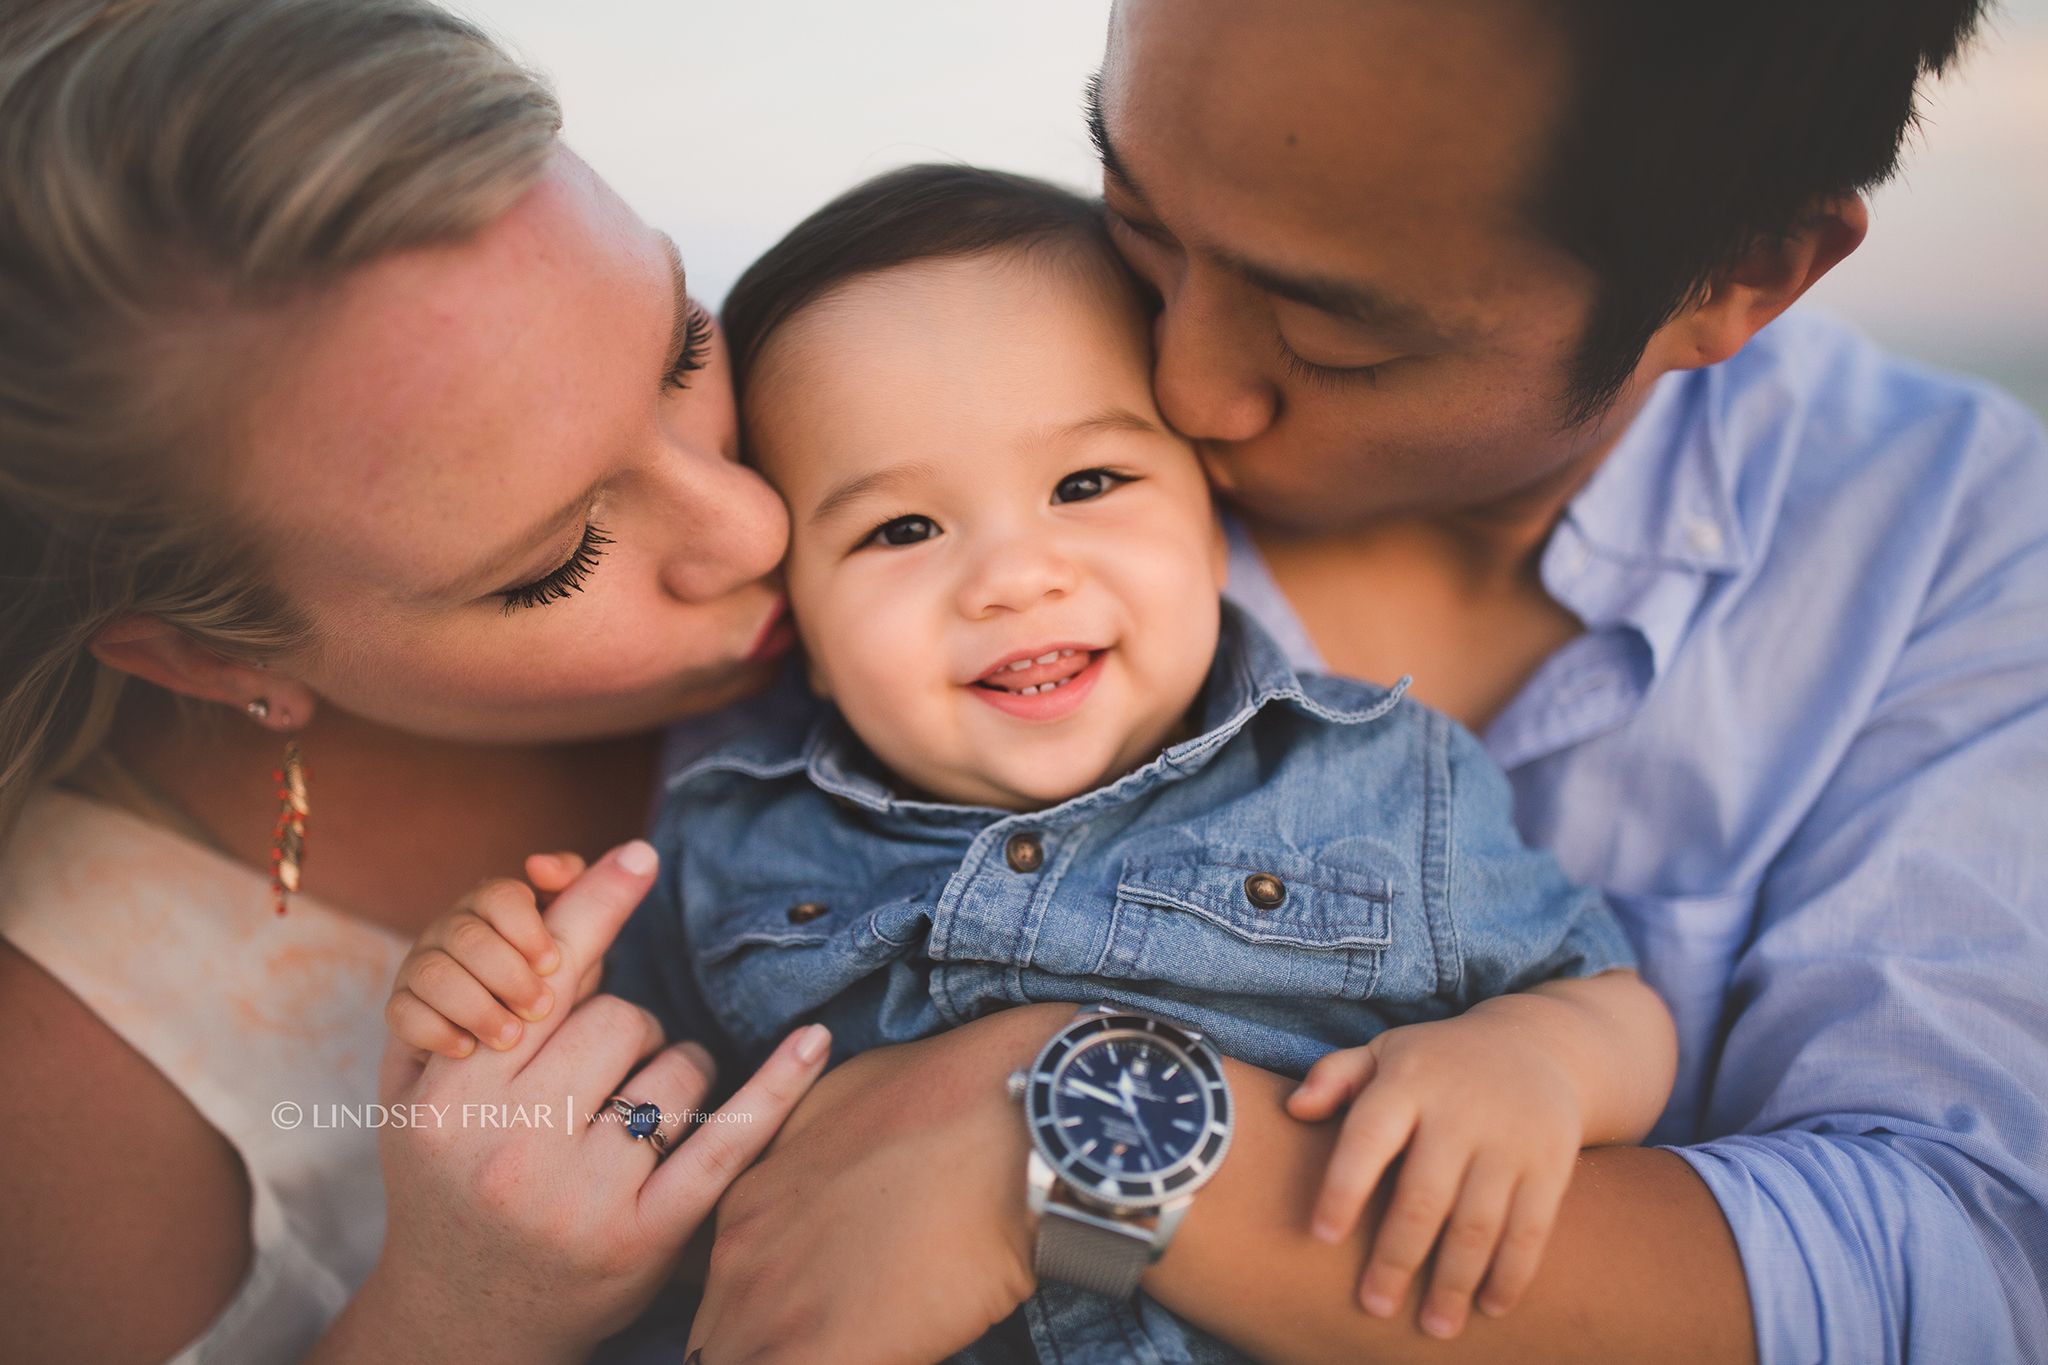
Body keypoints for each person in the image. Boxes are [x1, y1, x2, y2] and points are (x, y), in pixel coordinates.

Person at [674, 2, 2048, 1363]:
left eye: (1332, 333)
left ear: (1737, 274)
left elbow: (1966, 1273)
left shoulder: (1956, 554)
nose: (1186, 385)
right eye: (1139, 218)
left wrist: (1063, 1140)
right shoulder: (954, 393)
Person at [385, 165, 1678, 1355]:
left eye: (1087, 483)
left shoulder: (1378, 778)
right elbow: (616, 1126)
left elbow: (1615, 1004)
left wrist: (1535, 1062)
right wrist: (504, 993)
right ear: (807, 637)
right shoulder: (733, 837)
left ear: (1210, 518)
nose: (1013, 574)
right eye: (901, 526)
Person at [0, 2, 829, 1362]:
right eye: (558, 560)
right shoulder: (62, 1105)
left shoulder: (912, 409)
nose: (753, 525)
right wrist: (461, 1312)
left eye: (682, 343)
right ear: (215, 655)